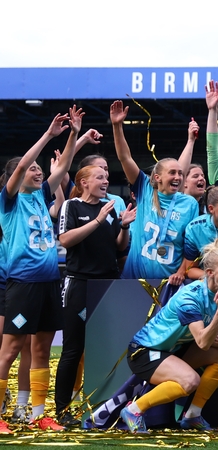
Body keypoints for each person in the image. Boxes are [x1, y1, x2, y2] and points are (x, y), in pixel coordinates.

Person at [0, 107, 84, 432]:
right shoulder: (9, 200)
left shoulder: (40, 196)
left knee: (41, 350)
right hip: (23, 283)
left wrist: (74, 133)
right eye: (33, 169)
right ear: (17, 176)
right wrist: (49, 134)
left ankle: (38, 415)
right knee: (9, 351)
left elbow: (63, 167)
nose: (38, 172)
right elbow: (22, 165)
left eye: (39, 169)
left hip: (50, 282)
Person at [119, 241, 218, 433]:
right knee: (191, 380)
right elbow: (203, 342)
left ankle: (192, 416)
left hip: (173, 352)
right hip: (144, 352)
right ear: (210, 272)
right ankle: (133, 410)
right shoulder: (190, 297)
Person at [55, 165, 136, 426]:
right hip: (79, 284)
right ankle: (62, 410)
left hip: (107, 284)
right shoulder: (72, 206)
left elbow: (118, 246)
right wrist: (98, 220)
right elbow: (65, 240)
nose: (106, 181)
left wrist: (124, 226)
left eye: (107, 177)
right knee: (73, 349)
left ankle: (105, 407)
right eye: (100, 177)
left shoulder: (109, 208)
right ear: (83, 182)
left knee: (108, 348)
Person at [111, 100, 200, 282]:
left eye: (180, 174)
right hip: (134, 282)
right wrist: (117, 126)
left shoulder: (189, 204)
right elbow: (125, 157)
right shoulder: (145, 190)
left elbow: (190, 247)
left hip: (170, 284)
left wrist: (181, 272)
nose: (178, 177)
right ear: (157, 177)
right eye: (172, 173)